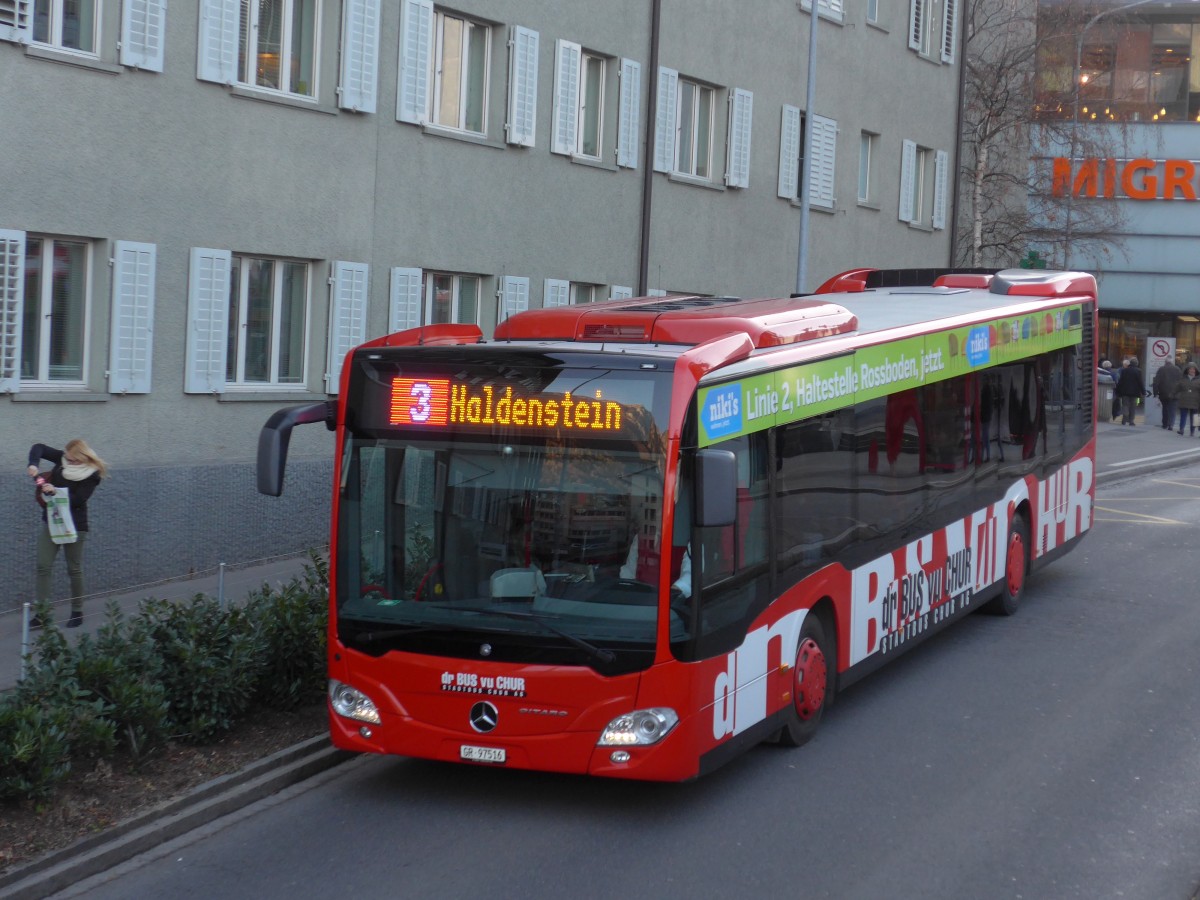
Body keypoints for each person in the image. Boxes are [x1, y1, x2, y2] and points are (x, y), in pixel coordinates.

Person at [27, 439, 109, 628]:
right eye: (67, 458)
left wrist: (55, 491)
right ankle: (42, 614)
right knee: (43, 565)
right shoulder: (63, 458)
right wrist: (33, 464)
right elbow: (39, 447)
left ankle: (77, 611)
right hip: (52, 521)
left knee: (74, 569)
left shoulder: (92, 474)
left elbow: (78, 499)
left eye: (72, 460)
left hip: (75, 524)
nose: (68, 461)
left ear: (82, 458)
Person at [1152, 355, 1182, 429]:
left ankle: (1165, 424)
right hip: (1175, 393)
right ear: (1172, 362)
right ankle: (1171, 424)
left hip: (1163, 393)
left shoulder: (1161, 369)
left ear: (1165, 362)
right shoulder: (1177, 369)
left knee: (1165, 408)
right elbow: (1181, 382)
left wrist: (1155, 393)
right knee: (1172, 409)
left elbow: (1156, 382)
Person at [1114, 357, 1147, 426]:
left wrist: (1117, 390)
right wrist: (1143, 391)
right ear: (1137, 364)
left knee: (1125, 405)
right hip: (1135, 393)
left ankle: (1124, 419)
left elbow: (1121, 381)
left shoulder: (1124, 370)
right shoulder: (1138, 371)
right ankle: (1131, 421)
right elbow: (1140, 382)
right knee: (1133, 406)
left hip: (1125, 392)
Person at [1174, 362, 1200, 435]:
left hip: (1195, 401)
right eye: (1190, 369)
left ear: (1196, 370)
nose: (1192, 371)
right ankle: (1181, 429)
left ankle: (1192, 431)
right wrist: (1171, 394)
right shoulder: (1183, 379)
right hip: (1184, 400)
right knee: (1183, 416)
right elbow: (1176, 388)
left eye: (1193, 369)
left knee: (1194, 417)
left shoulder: (1198, 380)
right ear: (1187, 370)